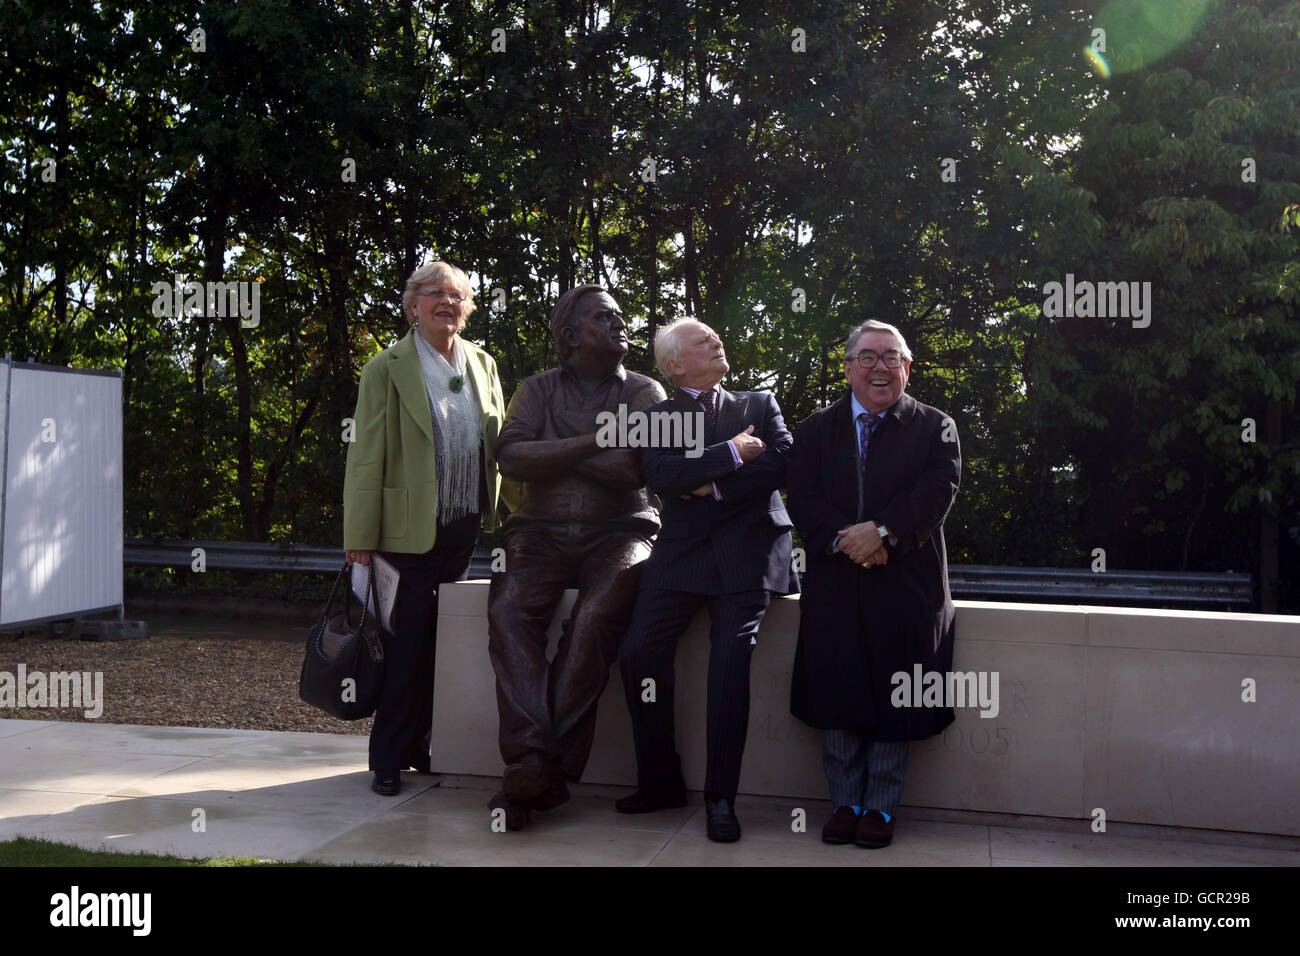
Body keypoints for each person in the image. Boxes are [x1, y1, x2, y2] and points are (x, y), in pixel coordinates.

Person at [486, 284, 666, 830]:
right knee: (508, 610)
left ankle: (533, 765)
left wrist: (555, 452)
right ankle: (538, 760)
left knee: (593, 617)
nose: (620, 323)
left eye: (619, 316)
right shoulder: (536, 389)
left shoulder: (646, 391)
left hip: (621, 531)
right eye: (605, 317)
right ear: (570, 335)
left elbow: (634, 469)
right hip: (536, 532)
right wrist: (596, 439)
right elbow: (511, 456)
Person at [616, 319, 796, 842]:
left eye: (718, 336)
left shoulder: (759, 404)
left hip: (750, 552)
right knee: (637, 655)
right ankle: (659, 782)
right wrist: (735, 454)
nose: (718, 342)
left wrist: (710, 486)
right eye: (703, 341)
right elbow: (664, 478)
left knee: (729, 664)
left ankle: (721, 799)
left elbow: (784, 463)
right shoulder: (659, 417)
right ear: (675, 365)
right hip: (680, 557)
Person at [786, 319, 960, 848]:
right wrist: (848, 541)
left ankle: (880, 810)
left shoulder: (936, 427)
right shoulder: (816, 430)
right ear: (848, 368)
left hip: (906, 584)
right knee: (837, 692)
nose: (879, 367)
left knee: (897, 695)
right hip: (836, 583)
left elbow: (937, 491)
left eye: (891, 357)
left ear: (907, 368)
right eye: (867, 357)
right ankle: (845, 802)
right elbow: (803, 496)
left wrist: (882, 532)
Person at [342, 261, 514, 796]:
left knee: (443, 643)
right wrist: (359, 536)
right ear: (412, 305)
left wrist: (517, 515)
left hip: (463, 523)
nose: (447, 302)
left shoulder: (483, 363)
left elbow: (502, 445)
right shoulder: (386, 367)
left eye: (457, 294)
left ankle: (419, 744)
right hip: (404, 530)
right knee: (407, 645)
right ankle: (387, 758)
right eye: (435, 293)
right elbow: (366, 457)